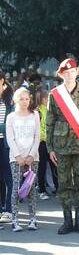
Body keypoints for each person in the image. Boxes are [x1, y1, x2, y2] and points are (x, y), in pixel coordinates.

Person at [46, 58, 79, 235]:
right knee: (64, 183)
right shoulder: (55, 94)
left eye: (72, 71)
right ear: (61, 75)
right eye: (65, 72)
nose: (69, 74)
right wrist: (50, 148)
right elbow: (50, 121)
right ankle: (67, 220)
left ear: (77, 72)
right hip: (61, 145)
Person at [6, 87, 40, 231]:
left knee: (31, 188)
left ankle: (33, 219)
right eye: (21, 99)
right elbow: (10, 137)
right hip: (16, 158)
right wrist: (18, 156)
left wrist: (32, 154)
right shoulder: (11, 117)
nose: (25, 102)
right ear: (15, 100)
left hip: (33, 158)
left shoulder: (35, 115)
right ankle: (15, 220)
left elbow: (37, 136)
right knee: (16, 188)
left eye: (27, 99)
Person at [37, 90, 58, 200]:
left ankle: (58, 188)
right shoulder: (38, 111)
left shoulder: (51, 110)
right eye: (47, 98)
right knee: (42, 167)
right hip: (41, 143)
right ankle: (42, 190)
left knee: (55, 165)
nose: (48, 100)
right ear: (42, 99)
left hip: (52, 142)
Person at [0, 72, 14, 225]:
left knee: (9, 178)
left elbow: (12, 124)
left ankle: (9, 210)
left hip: (7, 144)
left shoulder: (10, 99)